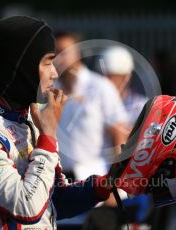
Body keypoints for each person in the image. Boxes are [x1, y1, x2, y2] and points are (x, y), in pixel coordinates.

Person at [0, 16, 112, 229]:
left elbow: (55, 198)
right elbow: (27, 207)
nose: (55, 73)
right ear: (21, 66)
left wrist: (108, 183)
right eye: (48, 61)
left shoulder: (29, 116)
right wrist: (48, 136)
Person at [54, 32, 129, 181]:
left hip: (95, 181)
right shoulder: (49, 90)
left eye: (64, 52)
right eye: (54, 54)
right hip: (59, 181)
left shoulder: (100, 86)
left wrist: (116, 181)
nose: (59, 59)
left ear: (78, 53)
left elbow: (119, 134)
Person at [100, 46, 148, 126]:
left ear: (126, 78)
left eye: (111, 77)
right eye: (102, 76)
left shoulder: (143, 107)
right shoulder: (93, 105)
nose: (105, 82)